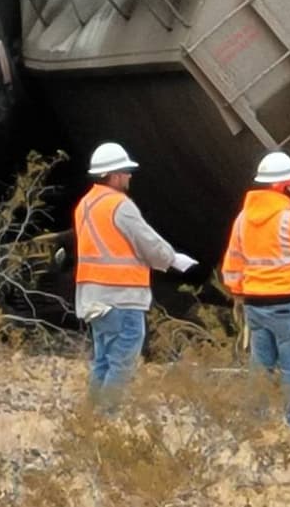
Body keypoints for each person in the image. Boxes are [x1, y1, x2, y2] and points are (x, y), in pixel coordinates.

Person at [74, 142, 197, 408]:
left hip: (92, 297)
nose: (130, 175)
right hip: (121, 298)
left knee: (103, 361)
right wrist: (172, 259)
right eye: (126, 171)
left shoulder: (84, 205)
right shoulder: (120, 205)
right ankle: (108, 416)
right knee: (122, 364)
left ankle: (92, 417)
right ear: (114, 174)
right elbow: (149, 243)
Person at [221, 151, 290, 429]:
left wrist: (238, 292)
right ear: (285, 186)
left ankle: (254, 422)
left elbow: (233, 264)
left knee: (261, 367)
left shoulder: (242, 220)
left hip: (255, 307)